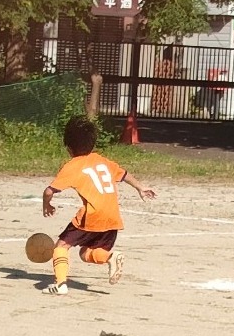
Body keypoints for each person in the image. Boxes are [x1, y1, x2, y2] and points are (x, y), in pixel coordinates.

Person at [41, 115, 156, 295]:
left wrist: (46, 205)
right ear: (93, 143)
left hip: (92, 215)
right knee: (86, 253)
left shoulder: (72, 166)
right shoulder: (102, 161)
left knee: (61, 247)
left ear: (69, 148)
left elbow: (49, 191)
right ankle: (111, 257)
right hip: (112, 218)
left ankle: (61, 284)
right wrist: (140, 187)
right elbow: (123, 174)